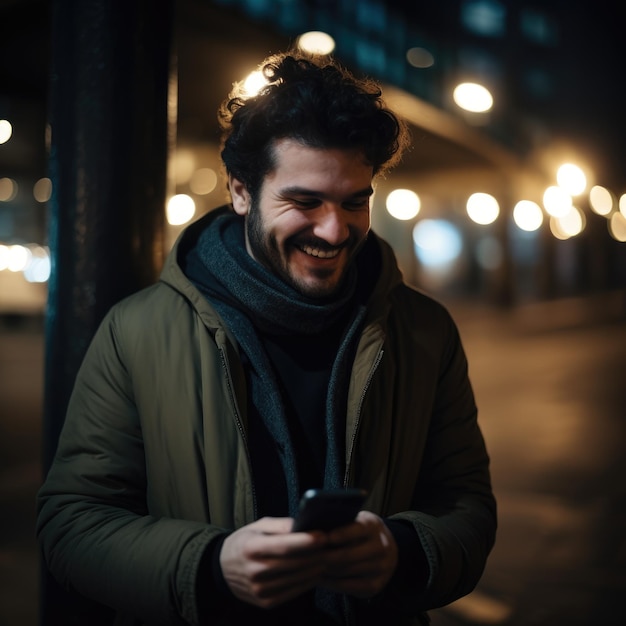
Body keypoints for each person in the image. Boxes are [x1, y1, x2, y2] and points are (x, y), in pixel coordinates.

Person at [37, 50, 496, 626]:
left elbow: (467, 506)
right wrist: (209, 565)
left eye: (355, 202)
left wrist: (402, 551)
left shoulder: (423, 330)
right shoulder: (138, 330)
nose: (334, 230)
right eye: (304, 202)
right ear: (240, 192)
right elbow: (72, 524)